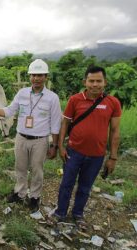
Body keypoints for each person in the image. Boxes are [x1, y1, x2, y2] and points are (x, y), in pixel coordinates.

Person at [0, 59, 62, 213]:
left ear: (46, 77)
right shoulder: (22, 93)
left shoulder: (52, 98)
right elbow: (8, 111)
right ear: (29, 77)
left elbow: (56, 124)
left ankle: (35, 197)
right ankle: (20, 193)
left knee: (37, 170)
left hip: (40, 140)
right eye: (33, 75)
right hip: (21, 138)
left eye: (40, 75)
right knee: (20, 167)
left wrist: (54, 145)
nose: (36, 78)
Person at [52, 65, 121, 229]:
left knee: (85, 187)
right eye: (92, 81)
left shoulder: (113, 102)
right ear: (85, 82)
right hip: (73, 152)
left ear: (105, 82)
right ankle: (60, 213)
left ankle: (78, 214)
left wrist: (112, 157)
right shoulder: (75, 99)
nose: (95, 84)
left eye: (99, 81)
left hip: (97, 155)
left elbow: (115, 131)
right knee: (66, 184)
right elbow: (65, 124)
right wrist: (61, 146)